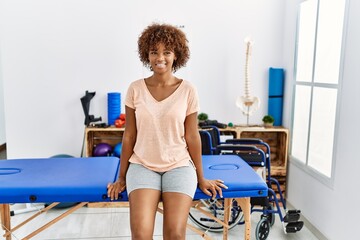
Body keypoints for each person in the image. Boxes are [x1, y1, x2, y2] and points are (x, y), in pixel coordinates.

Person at [107, 23, 227, 240]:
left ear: (176, 55)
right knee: (141, 234)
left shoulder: (188, 90)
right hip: (142, 165)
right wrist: (121, 178)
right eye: (154, 52)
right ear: (147, 55)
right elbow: (129, 136)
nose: (159, 57)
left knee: (174, 234)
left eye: (166, 52)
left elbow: (192, 136)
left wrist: (201, 177)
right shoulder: (135, 88)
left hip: (179, 166)